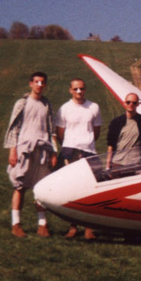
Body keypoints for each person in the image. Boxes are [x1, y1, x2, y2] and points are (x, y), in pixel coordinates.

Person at [4, 71, 58, 237]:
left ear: (45, 85)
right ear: (31, 84)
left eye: (42, 82)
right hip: (24, 149)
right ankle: (16, 224)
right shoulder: (22, 103)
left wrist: (53, 152)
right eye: (36, 82)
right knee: (19, 186)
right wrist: (12, 150)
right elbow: (13, 128)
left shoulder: (46, 104)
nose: (39, 85)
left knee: (40, 189)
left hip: (42, 150)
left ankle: (42, 225)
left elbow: (51, 130)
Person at [55, 78, 102, 240]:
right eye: (75, 89)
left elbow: (96, 132)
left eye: (81, 89)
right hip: (69, 151)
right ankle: (73, 227)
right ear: (70, 90)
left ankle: (89, 228)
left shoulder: (94, 107)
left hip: (88, 151)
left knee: (89, 189)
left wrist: (86, 143)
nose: (79, 92)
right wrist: (69, 146)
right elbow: (60, 132)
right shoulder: (64, 109)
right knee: (71, 189)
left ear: (85, 89)